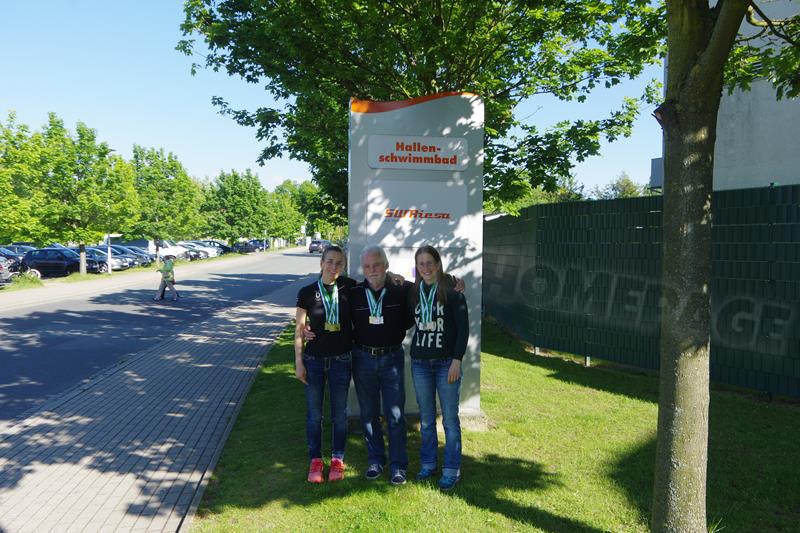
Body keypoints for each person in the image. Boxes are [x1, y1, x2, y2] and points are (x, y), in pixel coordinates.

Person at [348, 245, 414, 485]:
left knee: (395, 414)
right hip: (363, 358)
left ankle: (398, 465)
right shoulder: (354, 292)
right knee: (368, 414)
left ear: (386, 265)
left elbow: (432, 284)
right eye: (367, 266)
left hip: (392, 358)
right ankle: (375, 459)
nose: (372, 270)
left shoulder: (402, 289)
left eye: (377, 265)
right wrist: (307, 327)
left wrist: (456, 283)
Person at [408, 245, 468, 491]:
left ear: (438, 264)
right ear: (416, 267)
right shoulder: (413, 292)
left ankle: (452, 470)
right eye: (421, 263)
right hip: (420, 363)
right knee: (426, 418)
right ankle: (428, 464)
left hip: (446, 364)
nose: (426, 268)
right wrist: (392, 276)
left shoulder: (452, 290)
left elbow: (463, 328)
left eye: (429, 262)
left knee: (450, 419)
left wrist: (457, 360)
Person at [294, 245, 355, 483]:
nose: (334, 266)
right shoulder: (307, 292)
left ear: (344, 266)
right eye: (329, 261)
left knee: (340, 414)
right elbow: (299, 330)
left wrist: (395, 278)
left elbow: (377, 284)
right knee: (314, 414)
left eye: (339, 263)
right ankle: (316, 460)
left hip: (341, 359)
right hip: (314, 361)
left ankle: (337, 459)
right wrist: (299, 362)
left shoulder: (350, 287)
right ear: (321, 263)